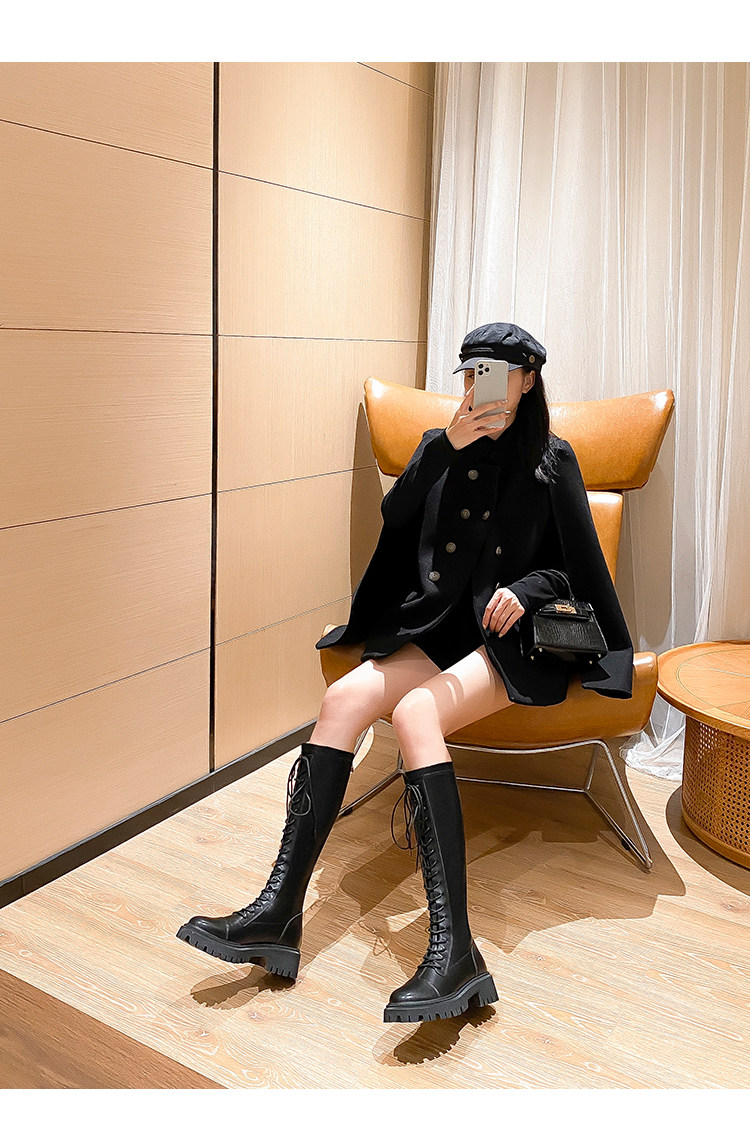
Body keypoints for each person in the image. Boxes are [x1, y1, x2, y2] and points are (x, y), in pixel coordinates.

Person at [177, 322, 634, 1024]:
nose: (480, 384)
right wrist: (445, 447)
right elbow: (395, 520)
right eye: (471, 371)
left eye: (496, 372)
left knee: (418, 712)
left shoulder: (551, 458)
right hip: (438, 628)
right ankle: (278, 913)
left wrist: (529, 590)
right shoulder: (437, 444)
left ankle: (455, 952)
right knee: (342, 698)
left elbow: (578, 566)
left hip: (507, 639)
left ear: (527, 380)